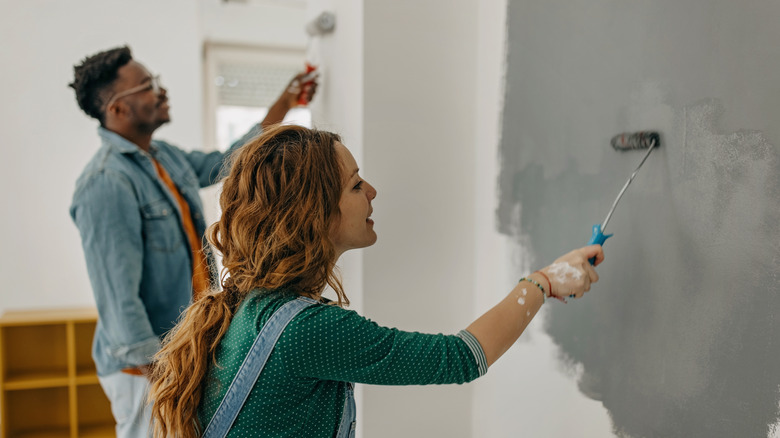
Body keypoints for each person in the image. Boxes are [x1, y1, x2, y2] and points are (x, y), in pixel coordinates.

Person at [148, 124, 605, 438]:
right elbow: (461, 357)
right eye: (355, 185)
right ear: (314, 214)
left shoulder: (251, 305)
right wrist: (543, 281)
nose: (372, 192)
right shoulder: (304, 330)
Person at [68, 46, 317, 438]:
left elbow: (232, 158)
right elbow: (120, 302)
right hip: (144, 368)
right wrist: (165, 376)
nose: (161, 91)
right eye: (147, 86)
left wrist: (284, 103)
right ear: (117, 110)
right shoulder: (106, 183)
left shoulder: (164, 156)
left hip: (180, 353)